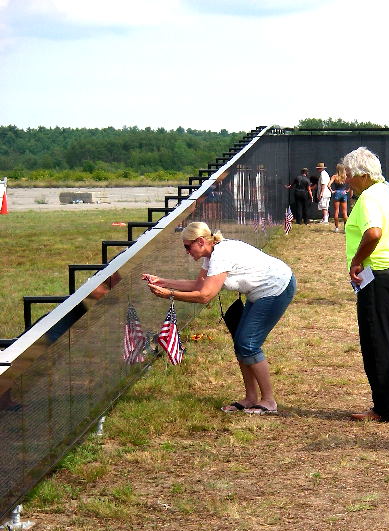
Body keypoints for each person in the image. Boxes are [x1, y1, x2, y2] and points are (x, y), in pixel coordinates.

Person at [142, 222, 296, 415]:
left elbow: (205, 295)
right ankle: (250, 398)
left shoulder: (220, 256)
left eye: (187, 246)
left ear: (200, 241)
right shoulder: (212, 253)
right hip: (261, 292)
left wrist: (169, 294)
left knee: (248, 344)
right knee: (241, 343)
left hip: (277, 288)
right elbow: (199, 284)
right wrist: (163, 282)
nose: (186, 252)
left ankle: (269, 401)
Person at [342, 147, 389, 422]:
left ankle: (384, 406)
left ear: (363, 174)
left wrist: (356, 260)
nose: (347, 180)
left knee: (376, 341)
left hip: (378, 274)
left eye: (349, 174)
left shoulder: (368, 197)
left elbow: (373, 233)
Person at [329, 163, 349, 232]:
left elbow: (328, 185)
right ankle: (345, 228)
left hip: (337, 193)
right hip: (343, 193)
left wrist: (332, 191)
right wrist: (347, 190)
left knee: (336, 211)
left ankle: (337, 228)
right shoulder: (345, 177)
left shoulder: (334, 176)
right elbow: (351, 184)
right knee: (345, 212)